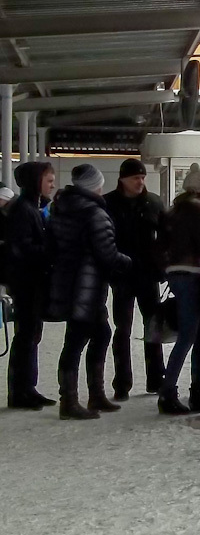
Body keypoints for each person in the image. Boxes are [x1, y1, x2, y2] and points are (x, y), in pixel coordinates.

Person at [47, 164, 132, 420]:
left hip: (68, 282)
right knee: (78, 340)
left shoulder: (61, 208)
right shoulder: (94, 213)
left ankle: (90, 395)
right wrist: (128, 263)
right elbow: (105, 253)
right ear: (95, 185)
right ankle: (72, 401)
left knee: (94, 334)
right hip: (88, 285)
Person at [158, 164, 200, 415]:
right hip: (192, 275)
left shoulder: (175, 210)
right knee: (188, 336)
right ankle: (168, 393)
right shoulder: (198, 211)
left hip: (176, 274)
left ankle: (199, 390)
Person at [104, 158, 167, 399]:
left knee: (153, 327)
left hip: (148, 274)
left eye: (142, 178)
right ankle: (122, 382)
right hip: (122, 275)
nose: (140, 182)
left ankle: (155, 378)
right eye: (135, 178)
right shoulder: (109, 204)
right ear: (123, 179)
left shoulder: (153, 203)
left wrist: (161, 266)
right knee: (123, 329)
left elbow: (165, 236)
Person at [4, 163, 55, 410]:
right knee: (26, 336)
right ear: (36, 181)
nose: (52, 184)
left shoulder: (29, 207)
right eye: (48, 179)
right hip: (26, 282)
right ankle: (20, 391)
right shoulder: (23, 210)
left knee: (31, 335)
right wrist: (49, 251)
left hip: (30, 281)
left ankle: (27, 388)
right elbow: (22, 248)